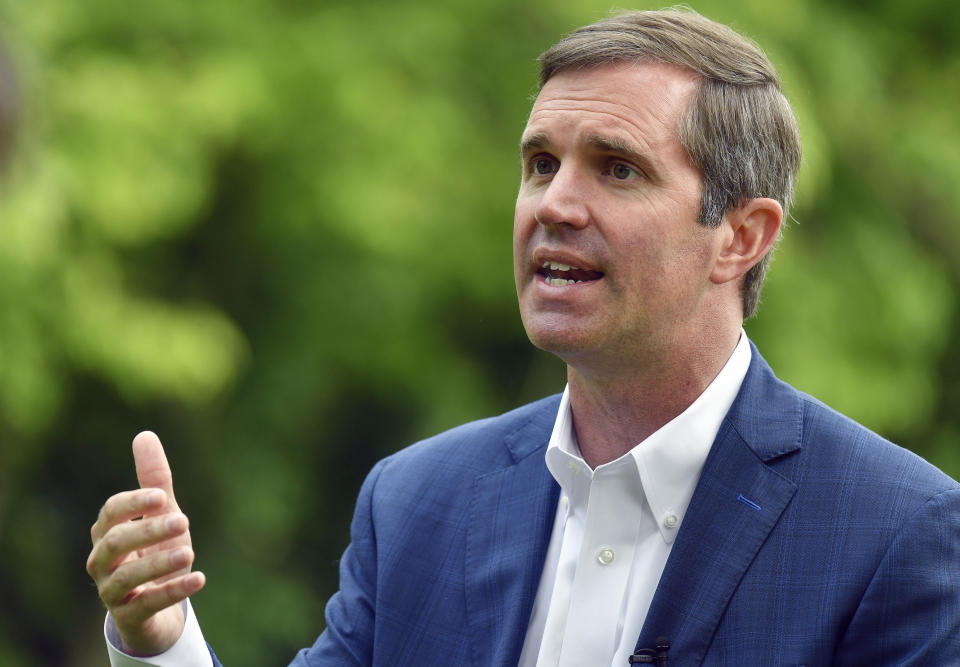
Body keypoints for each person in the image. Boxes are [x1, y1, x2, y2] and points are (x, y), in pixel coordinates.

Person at [87, 9, 960, 665]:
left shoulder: (899, 533)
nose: (555, 205)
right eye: (541, 164)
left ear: (741, 235)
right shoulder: (416, 503)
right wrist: (158, 639)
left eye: (617, 168)